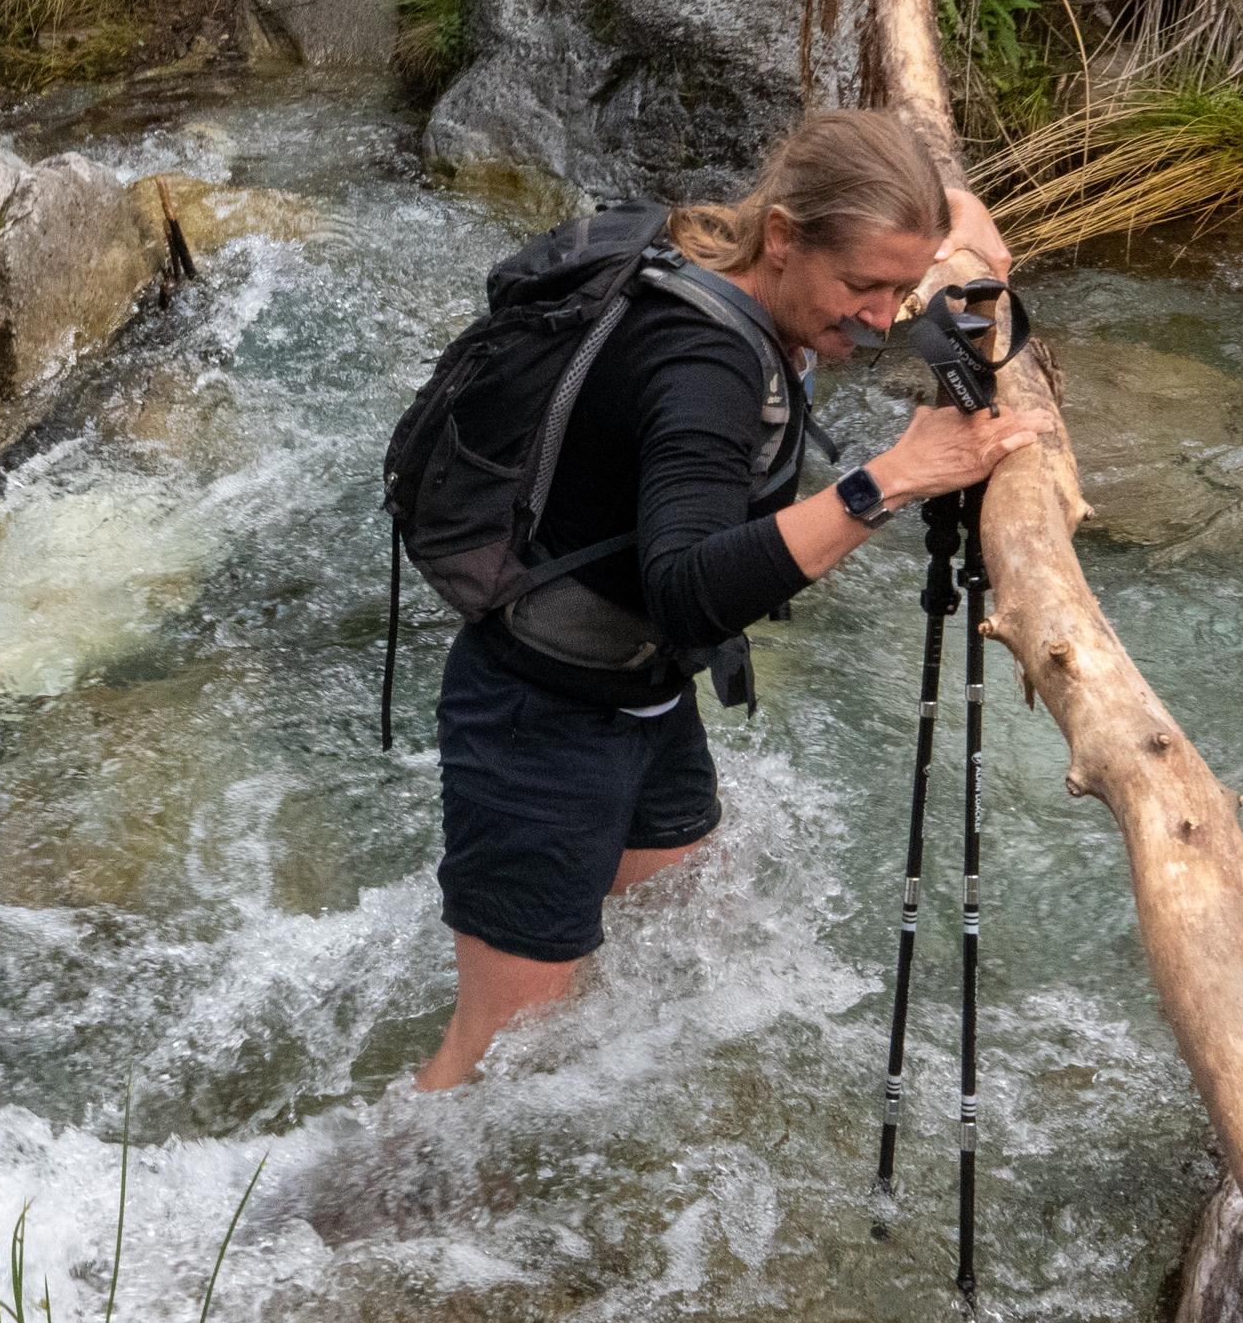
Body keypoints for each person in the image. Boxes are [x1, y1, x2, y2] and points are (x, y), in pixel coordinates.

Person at [415, 109, 1052, 1091]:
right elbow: (688, 593)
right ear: (786, 235)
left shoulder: (741, 274)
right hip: (537, 722)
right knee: (501, 1066)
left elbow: (956, 216)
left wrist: (966, 253)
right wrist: (890, 478)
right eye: (863, 286)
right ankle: (338, 1228)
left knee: (669, 945)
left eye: (901, 284)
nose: (883, 318)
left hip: (642, 699)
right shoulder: (705, 367)